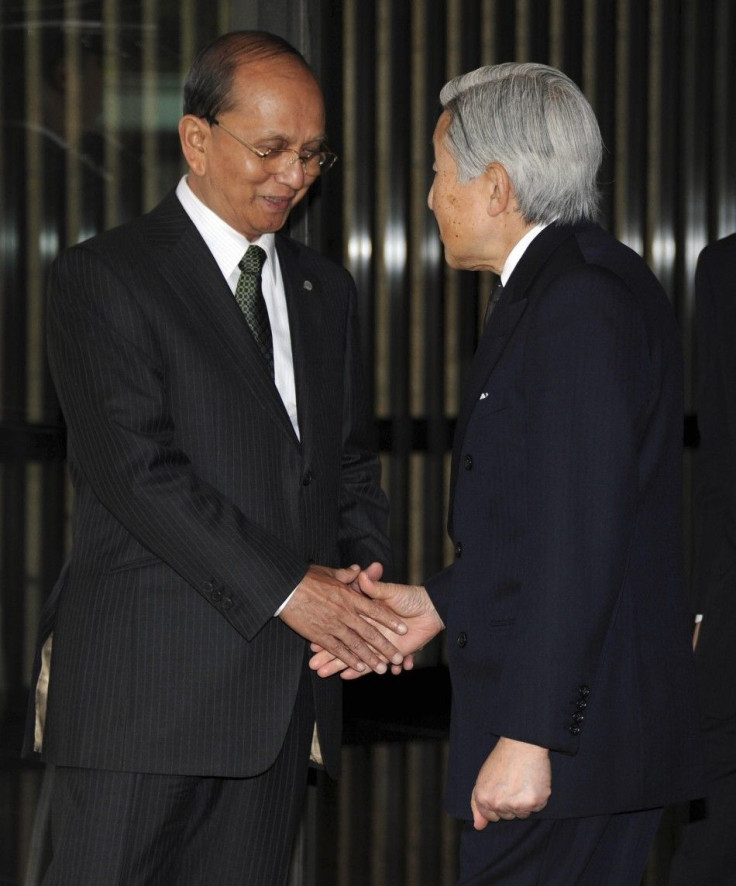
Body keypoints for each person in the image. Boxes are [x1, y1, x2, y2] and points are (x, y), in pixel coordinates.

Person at [24, 30, 403, 885]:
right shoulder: (105, 276)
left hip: (280, 704)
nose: (294, 177)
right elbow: (138, 473)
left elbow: (346, 468)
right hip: (144, 702)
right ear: (198, 139)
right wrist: (294, 590)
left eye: (312, 154)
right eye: (270, 149)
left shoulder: (324, 288)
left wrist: (361, 598)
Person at [312, 62, 704, 885]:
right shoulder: (584, 280)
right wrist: (436, 604)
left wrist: (530, 738)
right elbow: (550, 521)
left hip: (570, 753)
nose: (428, 196)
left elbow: (580, 542)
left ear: (495, 186)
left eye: (436, 171)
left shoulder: (576, 305)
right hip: (591, 743)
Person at [668, 233, 736, 885]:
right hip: (732, 598)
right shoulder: (723, 267)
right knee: (712, 835)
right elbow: (717, 458)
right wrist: (701, 604)